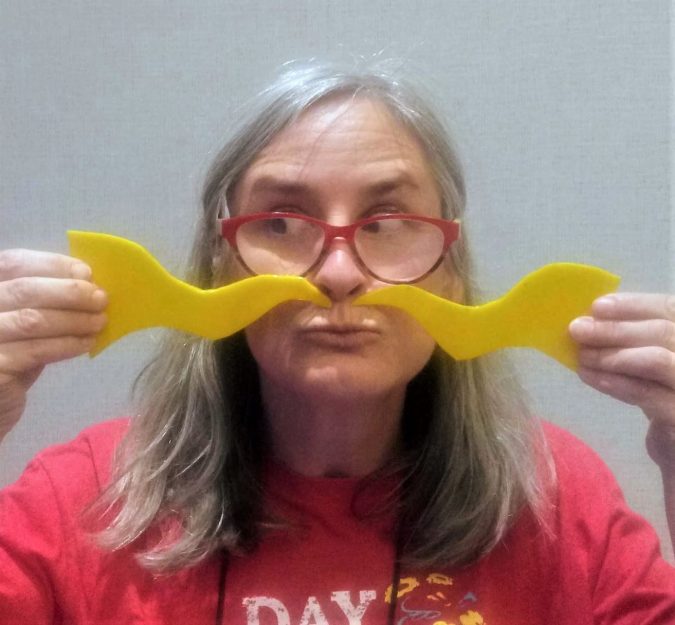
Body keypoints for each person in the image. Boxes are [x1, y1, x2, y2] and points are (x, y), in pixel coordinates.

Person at [0, 63, 674, 625]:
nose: (339, 273)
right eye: (281, 222)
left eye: (388, 221)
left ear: (452, 269)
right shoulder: (81, 499)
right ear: (219, 264)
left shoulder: (557, 500)